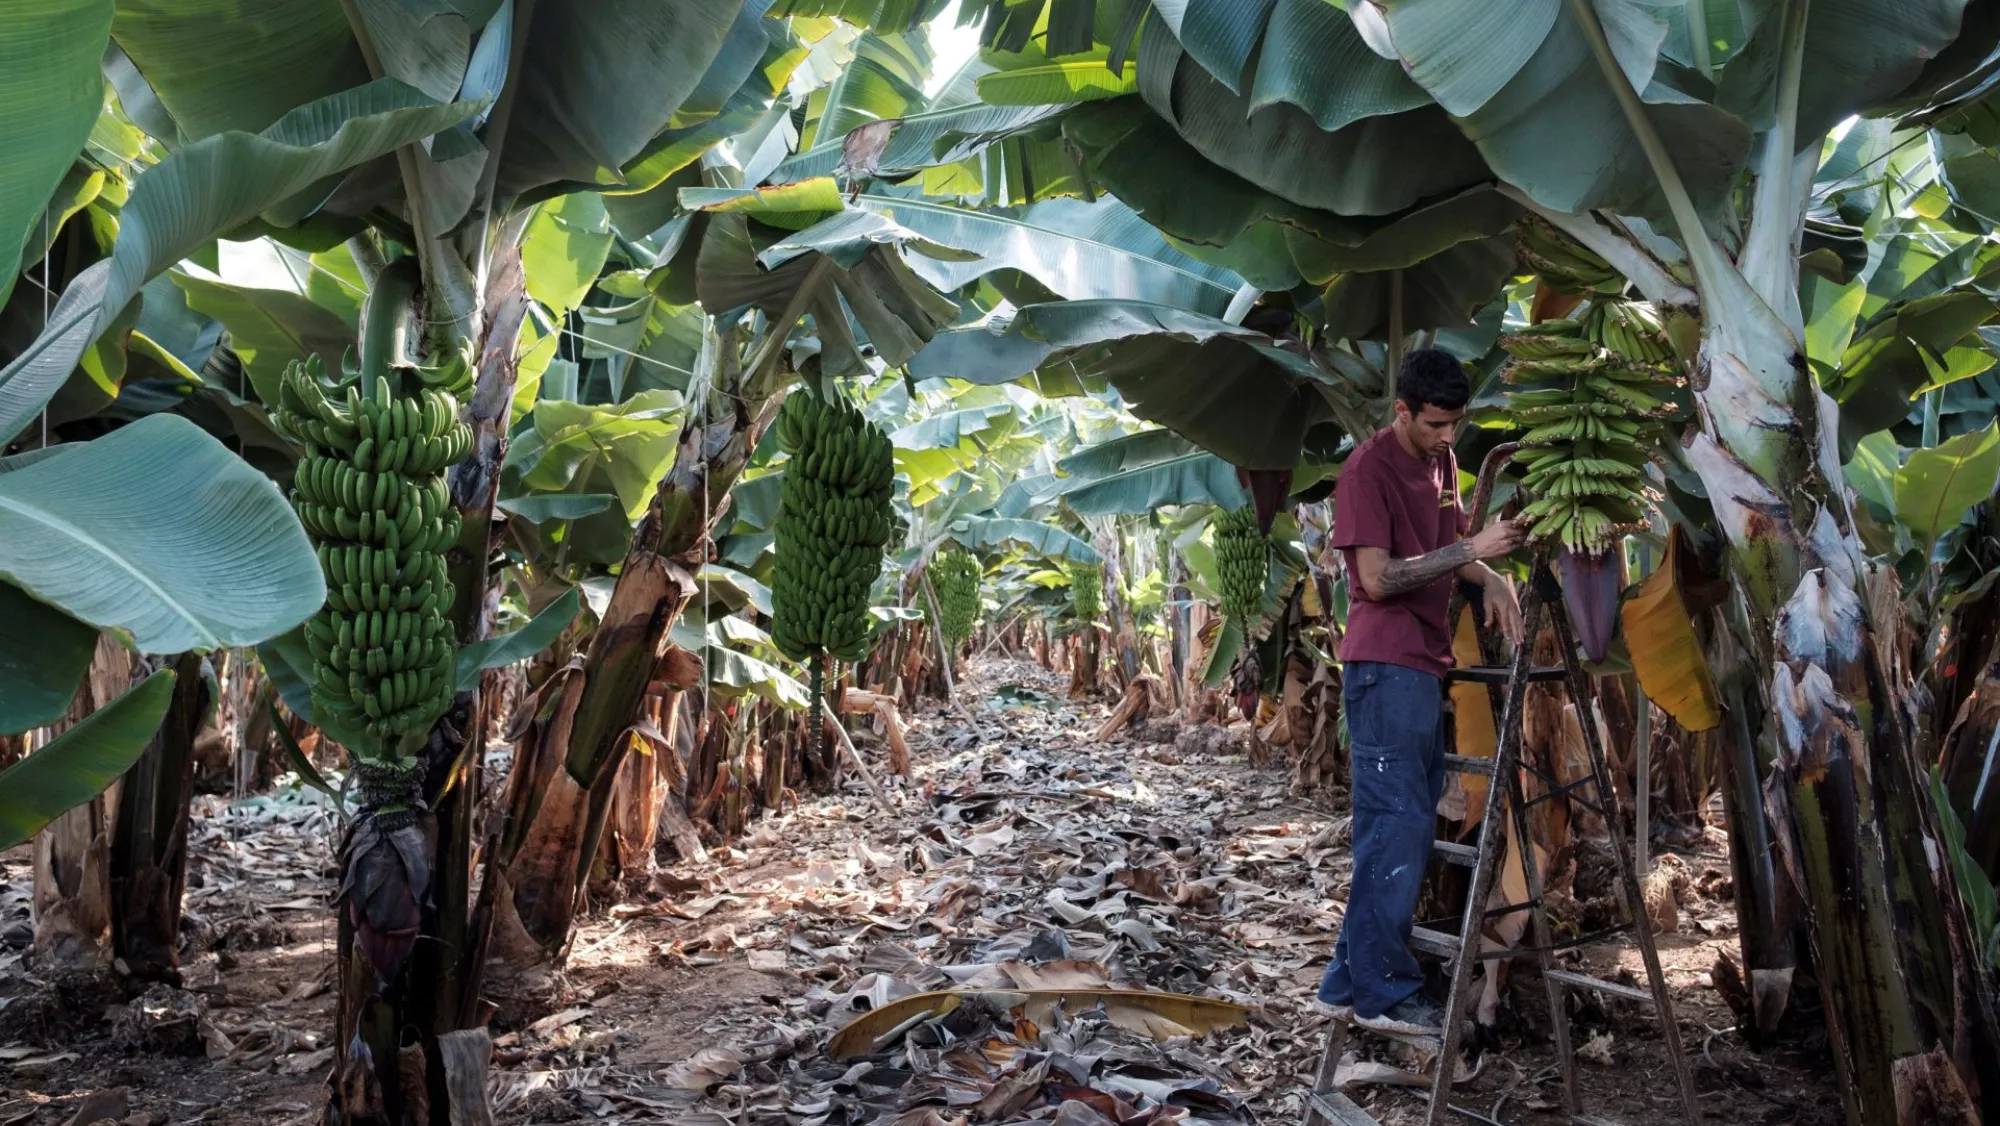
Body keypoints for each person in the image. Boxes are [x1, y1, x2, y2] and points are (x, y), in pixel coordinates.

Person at [1319, 348, 1525, 1036]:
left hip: (1425, 665)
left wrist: (1490, 578)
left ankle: (1349, 975)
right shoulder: (1365, 471)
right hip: (1383, 665)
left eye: (1457, 425)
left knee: (1399, 824)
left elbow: (1456, 542)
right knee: (1397, 827)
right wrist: (1474, 555)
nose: (1449, 438)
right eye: (1436, 424)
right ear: (1400, 410)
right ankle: (1382, 989)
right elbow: (1377, 579)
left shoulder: (1442, 466)